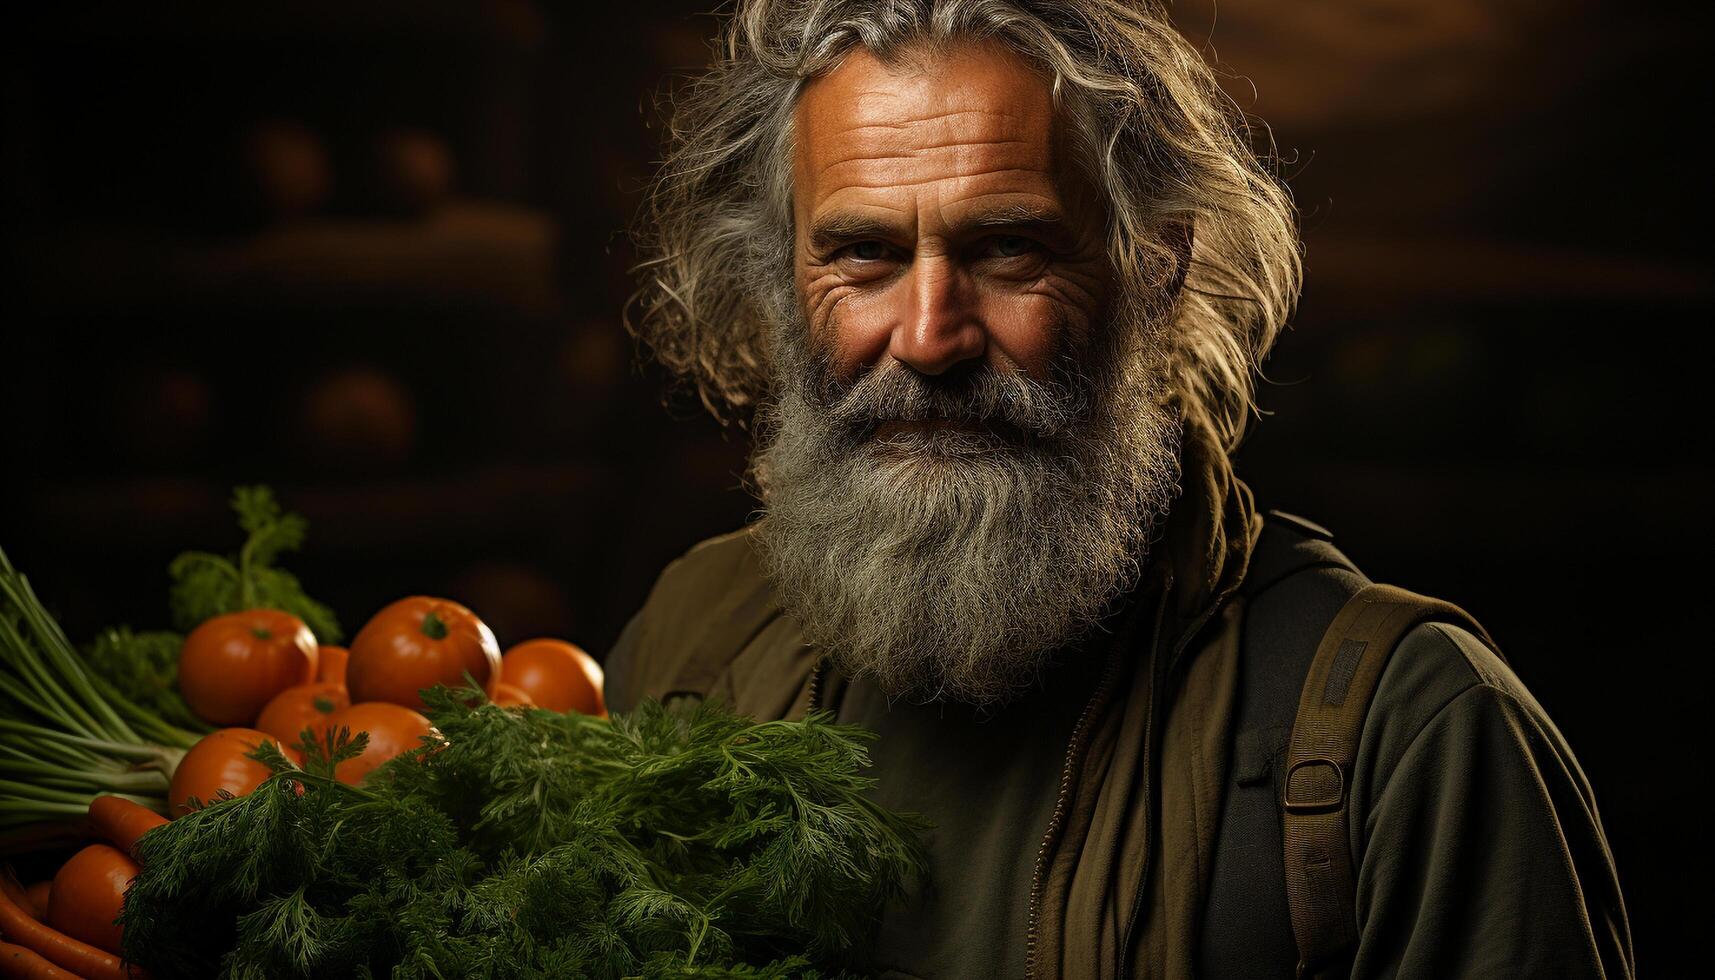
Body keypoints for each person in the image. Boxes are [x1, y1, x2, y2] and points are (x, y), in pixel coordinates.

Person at [606, 2, 1634, 977]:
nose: (927, 336)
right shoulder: (695, 639)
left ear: (1153, 267)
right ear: (781, 281)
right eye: (862, 253)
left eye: (1007, 247)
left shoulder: (1408, 734)